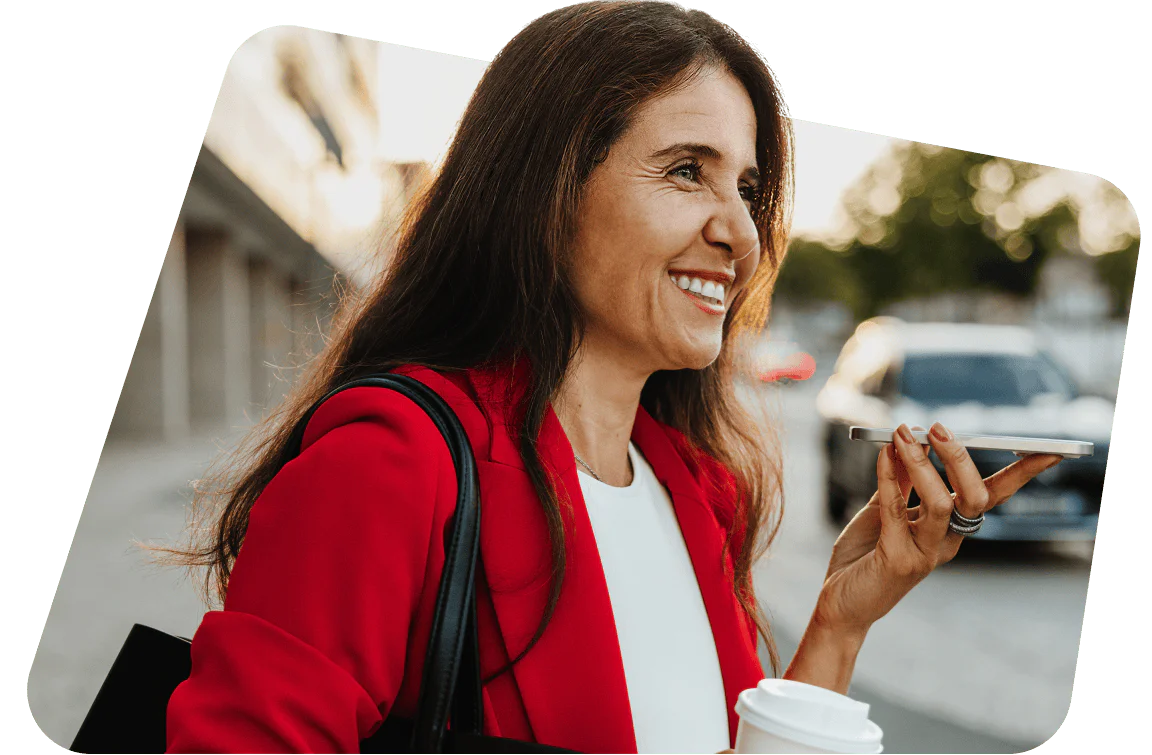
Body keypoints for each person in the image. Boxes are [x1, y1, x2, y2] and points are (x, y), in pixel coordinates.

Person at [163, 2, 1064, 753]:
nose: (742, 234)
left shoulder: (698, 491)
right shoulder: (391, 468)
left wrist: (838, 624)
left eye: (747, 190)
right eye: (685, 172)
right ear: (544, 192)